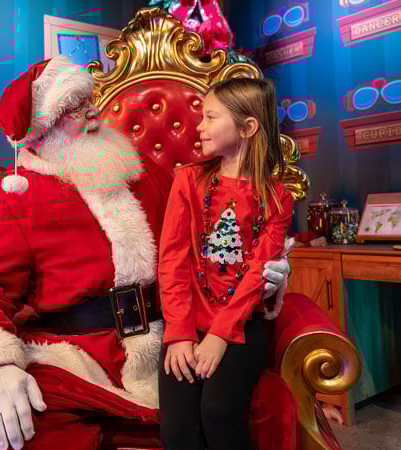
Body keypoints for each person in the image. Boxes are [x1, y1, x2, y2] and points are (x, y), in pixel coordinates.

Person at [0, 55, 292, 450]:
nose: (91, 113)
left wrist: (268, 274)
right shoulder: (13, 197)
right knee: (32, 426)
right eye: (72, 108)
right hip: (80, 355)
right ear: (42, 128)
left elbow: (212, 244)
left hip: (172, 330)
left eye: (88, 100)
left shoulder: (143, 170)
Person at [158, 77, 294, 450]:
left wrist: (220, 335)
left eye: (210, 117)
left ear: (247, 127)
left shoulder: (278, 197)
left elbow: (258, 274)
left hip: (241, 326)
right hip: (187, 322)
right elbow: (173, 261)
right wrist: (180, 334)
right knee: (178, 430)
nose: (199, 126)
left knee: (218, 411)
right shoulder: (187, 180)